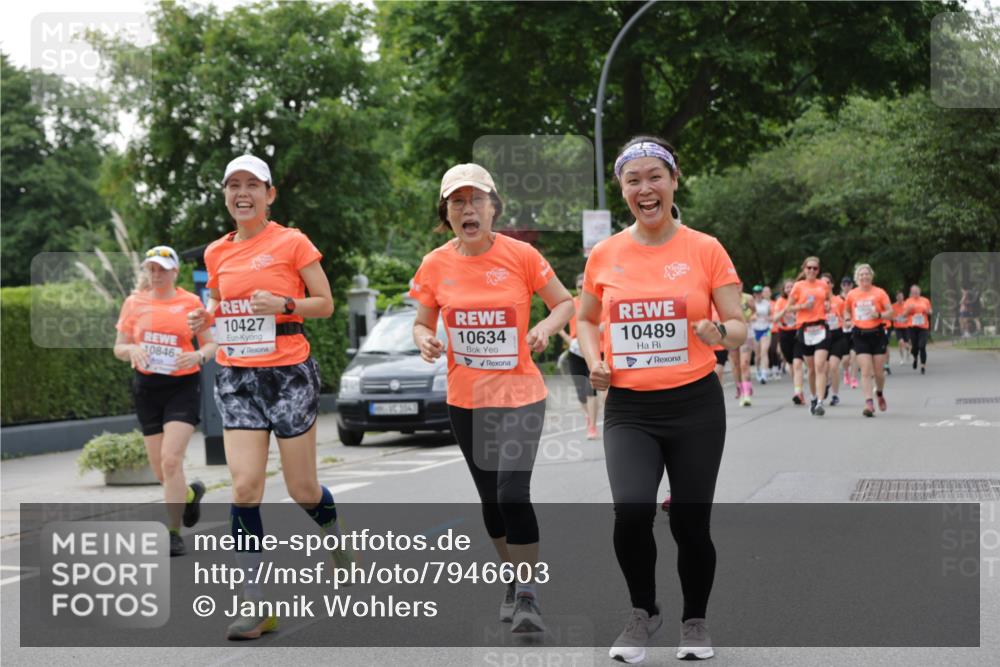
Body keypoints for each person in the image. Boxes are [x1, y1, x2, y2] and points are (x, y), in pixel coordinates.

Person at [576, 136, 747, 662]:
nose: (645, 189)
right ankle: (643, 612)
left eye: (655, 177)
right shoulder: (605, 254)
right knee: (630, 511)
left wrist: (719, 333)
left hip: (694, 404)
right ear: (622, 190)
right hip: (630, 407)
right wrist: (593, 360)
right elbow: (585, 318)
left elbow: (739, 326)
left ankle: (694, 622)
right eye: (633, 180)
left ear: (674, 181)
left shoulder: (705, 248)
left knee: (690, 523)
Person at [187, 155, 348, 640]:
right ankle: (255, 605)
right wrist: (205, 323)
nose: (242, 193)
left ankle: (336, 539)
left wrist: (285, 304)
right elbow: (220, 309)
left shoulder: (291, 241)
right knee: (243, 489)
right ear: (225, 195)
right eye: (233, 185)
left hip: (288, 374)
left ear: (269, 194)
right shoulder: (216, 252)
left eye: (252, 185)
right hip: (238, 378)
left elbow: (325, 303)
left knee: (303, 490)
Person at [411, 163, 574, 634]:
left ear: (493, 206)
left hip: (521, 394)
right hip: (466, 399)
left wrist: (544, 327)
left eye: (476, 199)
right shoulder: (435, 263)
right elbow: (422, 322)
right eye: (458, 201)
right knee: (490, 500)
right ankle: (511, 576)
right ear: (446, 212)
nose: (468, 208)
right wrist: (424, 339)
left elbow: (564, 301)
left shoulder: (521, 256)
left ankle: (528, 593)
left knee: (512, 493)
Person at [114, 246, 214, 557]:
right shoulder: (134, 303)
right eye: (151, 269)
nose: (156, 274)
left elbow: (211, 345)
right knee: (161, 471)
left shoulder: (191, 303)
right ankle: (187, 494)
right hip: (147, 388)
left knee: (172, 460)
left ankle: (172, 531)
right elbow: (119, 346)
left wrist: (196, 355)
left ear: (175, 272)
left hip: (182, 386)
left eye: (162, 269)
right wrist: (131, 351)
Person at [844, 264, 893, 417]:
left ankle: (879, 393)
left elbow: (890, 312)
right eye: (861, 274)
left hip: (877, 334)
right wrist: (847, 318)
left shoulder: (880, 293)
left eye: (867, 274)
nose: (864, 276)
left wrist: (878, 315)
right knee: (865, 370)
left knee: (878, 372)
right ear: (857, 278)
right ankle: (869, 403)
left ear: (871, 276)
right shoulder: (852, 294)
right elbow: (846, 310)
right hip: (860, 334)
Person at [787, 257, 833, 416]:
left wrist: (828, 305)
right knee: (812, 368)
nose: (812, 271)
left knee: (820, 365)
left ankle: (820, 402)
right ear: (804, 269)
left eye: (815, 268)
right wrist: (802, 306)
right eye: (809, 268)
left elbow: (829, 299)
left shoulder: (823, 284)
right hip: (804, 329)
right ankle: (813, 397)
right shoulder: (798, 286)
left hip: (821, 326)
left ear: (818, 270)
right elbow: (789, 308)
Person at [559, 273, 599, 439]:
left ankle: (592, 426)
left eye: (585, 286)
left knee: (591, 389)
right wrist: (568, 339)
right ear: (576, 289)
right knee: (580, 392)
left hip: (593, 349)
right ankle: (588, 415)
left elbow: (605, 322)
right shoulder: (572, 304)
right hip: (575, 350)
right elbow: (558, 324)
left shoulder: (597, 302)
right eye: (579, 287)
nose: (582, 289)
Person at [822, 273, 848, 407]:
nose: (824, 285)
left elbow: (846, 316)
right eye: (822, 283)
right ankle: (826, 384)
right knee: (823, 368)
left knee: (833, 366)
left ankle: (835, 395)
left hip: (837, 335)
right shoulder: (817, 301)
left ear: (832, 284)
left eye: (827, 282)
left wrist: (847, 321)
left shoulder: (839, 300)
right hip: (822, 336)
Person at [903, 284, 933, 374]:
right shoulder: (908, 301)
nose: (915, 293)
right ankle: (915, 358)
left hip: (923, 327)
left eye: (917, 291)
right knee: (915, 347)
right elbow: (904, 315)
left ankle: (923, 366)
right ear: (911, 293)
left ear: (920, 291)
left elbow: (931, 311)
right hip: (912, 326)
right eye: (913, 291)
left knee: (922, 346)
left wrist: (927, 311)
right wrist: (909, 310)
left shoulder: (925, 300)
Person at [773, 279, 797, 383]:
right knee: (790, 362)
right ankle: (796, 385)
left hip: (797, 332)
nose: (790, 289)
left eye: (792, 287)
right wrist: (785, 310)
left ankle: (798, 388)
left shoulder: (799, 299)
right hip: (784, 333)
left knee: (798, 361)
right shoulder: (781, 301)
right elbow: (775, 318)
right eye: (787, 287)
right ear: (784, 289)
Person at [840, 276, 860, 389]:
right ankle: (846, 372)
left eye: (848, 284)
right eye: (844, 284)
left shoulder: (856, 298)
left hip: (854, 329)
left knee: (854, 356)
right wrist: (843, 322)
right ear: (841, 286)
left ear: (852, 285)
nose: (846, 286)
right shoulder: (838, 299)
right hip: (843, 331)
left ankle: (853, 378)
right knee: (845, 359)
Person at [750, 285, 773, 384]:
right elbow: (747, 317)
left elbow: (771, 315)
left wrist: (769, 319)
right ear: (754, 294)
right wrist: (752, 317)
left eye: (759, 293)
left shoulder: (767, 303)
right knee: (758, 355)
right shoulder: (751, 304)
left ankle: (764, 374)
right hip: (755, 330)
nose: (758, 295)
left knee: (764, 352)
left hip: (765, 329)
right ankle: (758, 370)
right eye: (756, 293)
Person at [891, 291, 911, 364]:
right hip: (898, 327)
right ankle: (902, 358)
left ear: (903, 297)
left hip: (906, 327)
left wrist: (906, 319)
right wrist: (895, 318)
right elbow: (891, 317)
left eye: (901, 296)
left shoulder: (907, 305)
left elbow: (910, 315)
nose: (900, 298)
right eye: (898, 296)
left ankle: (908, 351)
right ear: (896, 297)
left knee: (907, 344)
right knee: (900, 342)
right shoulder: (893, 306)